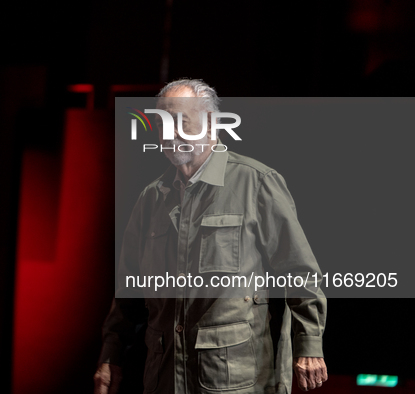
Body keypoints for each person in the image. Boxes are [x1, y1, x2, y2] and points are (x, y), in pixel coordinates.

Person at [94, 79, 327, 394]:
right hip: (164, 380)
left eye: (179, 122)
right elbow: (129, 290)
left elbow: (299, 271)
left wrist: (309, 344)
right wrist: (111, 355)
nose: (168, 133)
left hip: (234, 380)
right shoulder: (151, 199)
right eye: (161, 122)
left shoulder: (257, 183)